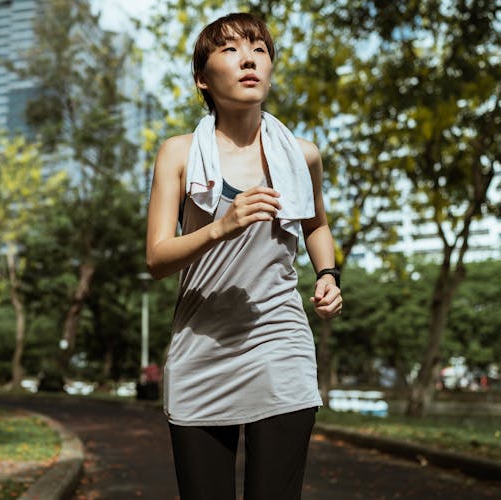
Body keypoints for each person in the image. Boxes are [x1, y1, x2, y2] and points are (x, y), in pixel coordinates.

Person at [145, 12, 342, 500]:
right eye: (230, 50)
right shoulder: (179, 154)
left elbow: (316, 223)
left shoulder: (302, 155)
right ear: (202, 79)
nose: (249, 57)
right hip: (201, 349)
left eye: (259, 48)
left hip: (280, 342)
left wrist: (329, 274)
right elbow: (157, 258)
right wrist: (221, 226)